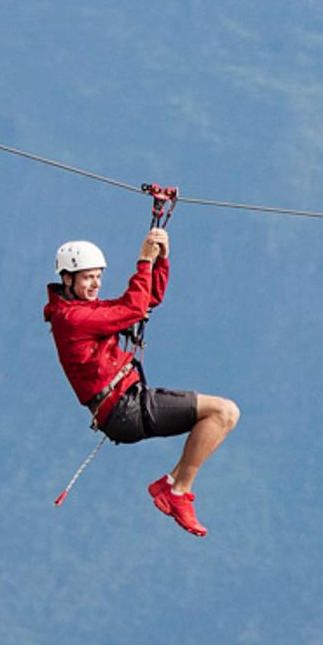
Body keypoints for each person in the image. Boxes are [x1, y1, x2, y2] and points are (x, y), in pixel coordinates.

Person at [46, 188, 239, 537]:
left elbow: (146, 300)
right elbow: (133, 309)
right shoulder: (71, 319)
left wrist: (161, 259)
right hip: (124, 409)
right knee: (224, 412)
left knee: (223, 413)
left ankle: (174, 486)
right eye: (87, 278)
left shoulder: (87, 311)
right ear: (67, 279)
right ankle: (176, 490)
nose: (95, 284)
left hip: (127, 404)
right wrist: (144, 261)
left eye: (98, 277)